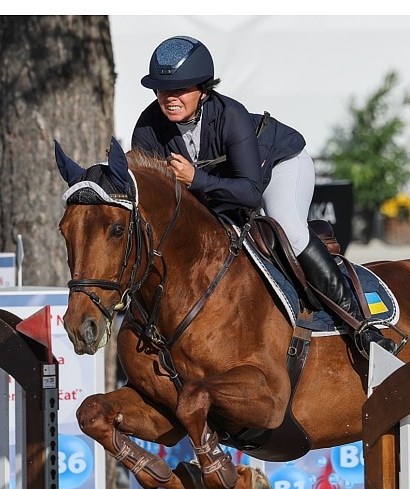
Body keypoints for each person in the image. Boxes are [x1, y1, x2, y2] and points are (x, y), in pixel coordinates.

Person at [131, 35, 396, 358]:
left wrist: (195, 178)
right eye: (161, 90)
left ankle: (360, 324)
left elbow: (250, 192)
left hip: (278, 165)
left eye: (179, 90)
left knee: (287, 226)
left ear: (203, 89)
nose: (168, 98)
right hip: (220, 189)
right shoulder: (147, 128)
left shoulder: (231, 115)